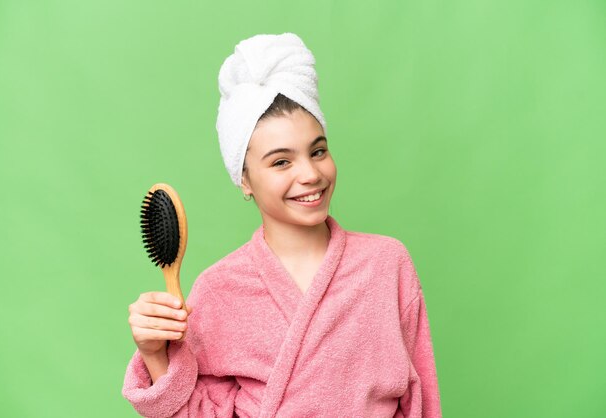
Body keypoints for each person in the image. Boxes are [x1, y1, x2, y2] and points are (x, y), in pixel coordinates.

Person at [122, 32, 442, 418]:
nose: (310, 174)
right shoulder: (219, 288)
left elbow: (422, 402)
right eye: (281, 162)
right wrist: (155, 355)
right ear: (244, 179)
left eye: (318, 151)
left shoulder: (386, 263)